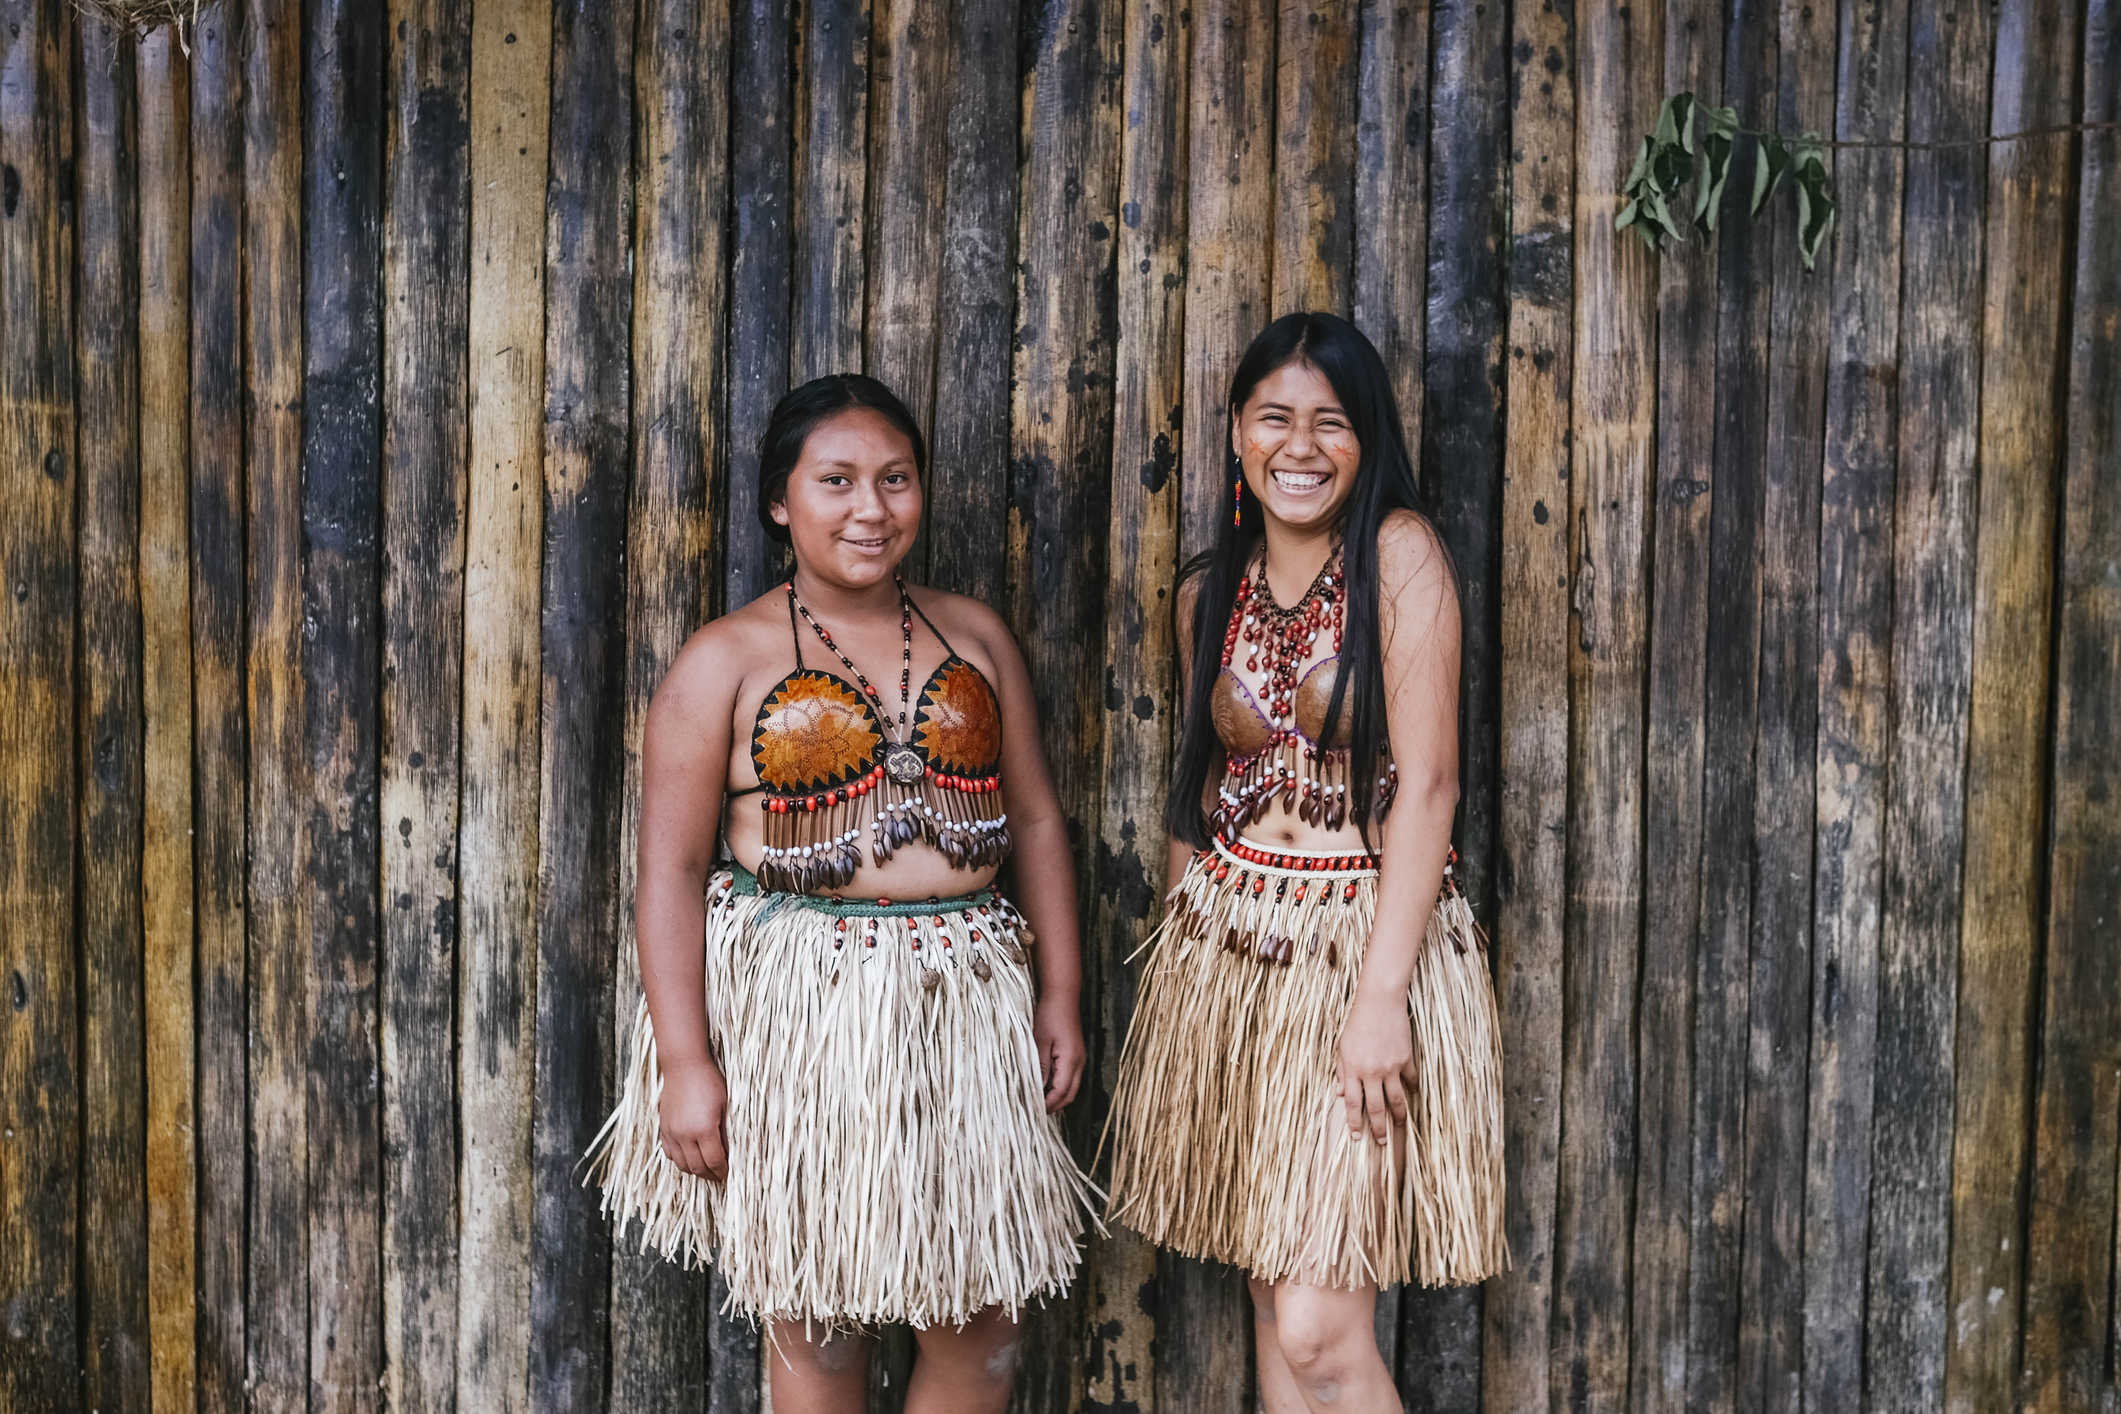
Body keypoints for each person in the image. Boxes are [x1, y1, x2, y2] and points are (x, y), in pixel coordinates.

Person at [588, 374, 1096, 1414]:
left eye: (896, 479)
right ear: (782, 499)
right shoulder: (722, 660)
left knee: (980, 1310)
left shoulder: (976, 635)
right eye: (838, 481)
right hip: (807, 1017)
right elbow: (672, 874)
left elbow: (1038, 820)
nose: (872, 507)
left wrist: (1061, 994)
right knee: (818, 1320)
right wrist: (687, 1062)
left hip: (963, 1010)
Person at [1105, 313, 1507, 1414]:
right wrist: (1189, 971)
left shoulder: (1399, 559)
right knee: (1271, 1308)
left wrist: (1382, 997)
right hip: (1231, 952)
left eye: (1332, 421)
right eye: (1275, 417)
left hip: (1359, 949)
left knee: (1321, 1330)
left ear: (1367, 439)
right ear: (1237, 433)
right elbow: (1201, 791)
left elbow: (1429, 787)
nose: (1301, 444)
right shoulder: (1208, 592)